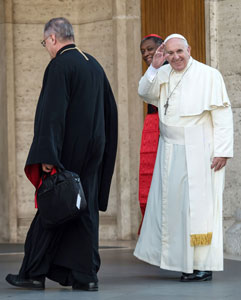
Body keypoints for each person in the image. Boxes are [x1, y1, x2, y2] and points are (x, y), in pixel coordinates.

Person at [6, 17, 118, 291]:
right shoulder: (93, 64)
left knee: (53, 207)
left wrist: (47, 153)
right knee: (84, 209)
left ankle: (33, 273)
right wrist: (102, 148)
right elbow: (110, 111)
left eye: (45, 42)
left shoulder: (59, 65)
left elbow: (51, 113)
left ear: (53, 38)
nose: (46, 47)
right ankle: (85, 275)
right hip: (95, 151)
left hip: (68, 151)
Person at [134, 33, 233, 282]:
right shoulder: (163, 73)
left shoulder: (209, 75)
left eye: (180, 51)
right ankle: (183, 262)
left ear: (189, 49)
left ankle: (202, 265)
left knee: (199, 209)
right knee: (175, 209)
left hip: (200, 148)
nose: (176, 57)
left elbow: (222, 114)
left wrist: (222, 150)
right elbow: (144, 93)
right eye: (170, 53)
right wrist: (154, 68)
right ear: (164, 54)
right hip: (169, 150)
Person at [138, 34, 164, 225]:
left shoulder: (170, 69)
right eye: (143, 51)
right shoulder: (151, 71)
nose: (146, 53)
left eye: (150, 49)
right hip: (152, 127)